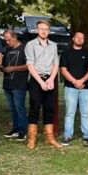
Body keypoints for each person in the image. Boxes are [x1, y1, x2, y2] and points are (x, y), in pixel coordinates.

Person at [24, 19, 61, 149]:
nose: (43, 31)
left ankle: (49, 137)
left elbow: (56, 63)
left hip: (49, 79)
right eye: (41, 29)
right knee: (34, 107)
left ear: (49, 31)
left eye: (46, 29)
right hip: (36, 79)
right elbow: (30, 65)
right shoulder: (30, 45)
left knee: (50, 108)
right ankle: (31, 138)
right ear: (37, 30)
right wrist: (40, 82)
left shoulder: (53, 45)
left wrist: (51, 79)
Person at [59, 31, 88, 146]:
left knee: (85, 113)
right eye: (77, 37)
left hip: (85, 88)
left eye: (82, 38)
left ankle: (87, 136)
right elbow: (63, 70)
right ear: (73, 39)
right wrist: (74, 81)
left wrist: (82, 81)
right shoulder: (66, 53)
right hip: (70, 87)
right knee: (69, 112)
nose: (80, 39)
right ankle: (67, 135)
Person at [1, 29, 29, 140]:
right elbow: (4, 65)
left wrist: (13, 68)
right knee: (12, 108)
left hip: (19, 84)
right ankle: (15, 129)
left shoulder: (25, 48)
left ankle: (23, 130)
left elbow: (29, 65)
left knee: (19, 107)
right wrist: (1, 67)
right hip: (8, 83)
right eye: (5, 40)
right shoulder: (7, 49)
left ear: (15, 37)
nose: (7, 42)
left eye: (9, 40)